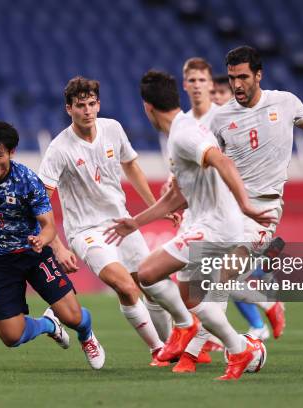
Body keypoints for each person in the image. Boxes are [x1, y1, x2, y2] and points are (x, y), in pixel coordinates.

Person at [105, 70, 276, 381]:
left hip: (216, 226)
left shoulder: (185, 135)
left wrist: (245, 205)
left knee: (147, 272)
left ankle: (189, 330)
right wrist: (136, 223)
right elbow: (178, 196)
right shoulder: (180, 133)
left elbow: (223, 161)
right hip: (204, 223)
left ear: (147, 108)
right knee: (197, 302)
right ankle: (241, 350)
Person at [0, 121, 105, 370]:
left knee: (74, 317)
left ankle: (86, 335)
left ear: (11, 152)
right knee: (11, 337)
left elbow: (48, 225)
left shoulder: (27, 180)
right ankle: (49, 325)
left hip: (34, 254)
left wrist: (44, 240)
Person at [210, 45, 303, 336]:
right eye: (232, 77)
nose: (236, 84)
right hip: (228, 208)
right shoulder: (220, 119)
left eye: (243, 77)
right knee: (210, 280)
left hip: (263, 208)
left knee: (223, 275)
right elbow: (211, 162)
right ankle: (262, 305)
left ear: (259, 75)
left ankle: (239, 341)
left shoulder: (284, 102)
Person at [37, 77, 175, 366]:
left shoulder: (113, 129)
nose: (87, 110)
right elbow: (40, 202)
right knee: (126, 287)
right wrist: (59, 247)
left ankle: (174, 347)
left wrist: (156, 206)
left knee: (149, 285)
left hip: (121, 224)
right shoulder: (59, 148)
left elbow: (132, 166)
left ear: (98, 104)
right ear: (68, 109)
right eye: (79, 105)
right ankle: (157, 350)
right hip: (86, 232)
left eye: (91, 104)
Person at [173, 58, 274, 374]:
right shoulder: (184, 123)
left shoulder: (231, 120)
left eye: (208, 83)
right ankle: (265, 310)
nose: (202, 88)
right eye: (194, 80)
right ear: (186, 83)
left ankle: (198, 351)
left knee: (213, 284)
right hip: (203, 214)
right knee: (204, 287)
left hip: (232, 213)